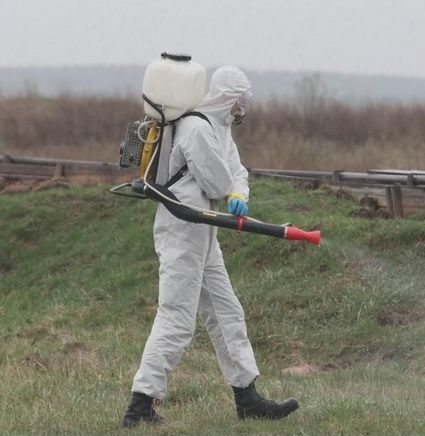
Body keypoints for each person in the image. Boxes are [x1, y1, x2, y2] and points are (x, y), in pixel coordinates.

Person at [122, 66, 299, 428]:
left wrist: (240, 193)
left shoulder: (218, 128)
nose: (243, 110)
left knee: (226, 312)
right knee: (176, 317)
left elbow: (236, 171)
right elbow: (218, 179)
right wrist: (229, 189)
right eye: (241, 101)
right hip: (182, 229)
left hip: (203, 230)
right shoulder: (196, 127)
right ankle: (140, 408)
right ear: (228, 97)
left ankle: (247, 397)